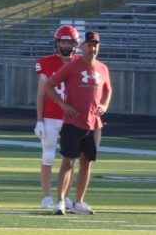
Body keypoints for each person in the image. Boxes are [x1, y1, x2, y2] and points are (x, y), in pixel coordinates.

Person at [45, 30, 111, 215]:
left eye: (95, 44)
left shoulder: (102, 68)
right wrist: (62, 104)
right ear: (82, 46)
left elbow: (107, 90)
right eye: (89, 45)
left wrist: (104, 105)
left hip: (94, 123)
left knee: (87, 162)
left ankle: (79, 202)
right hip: (73, 122)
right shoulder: (72, 66)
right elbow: (50, 84)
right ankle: (60, 201)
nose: (93, 48)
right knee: (68, 161)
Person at [34, 25, 80, 210]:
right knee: (48, 156)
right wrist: (39, 119)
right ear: (57, 42)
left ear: (75, 44)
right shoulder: (47, 63)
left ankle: (65, 196)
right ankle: (46, 196)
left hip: (72, 117)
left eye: (69, 42)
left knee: (70, 158)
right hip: (51, 116)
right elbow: (41, 94)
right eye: (62, 41)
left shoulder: (80, 64)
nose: (66, 45)